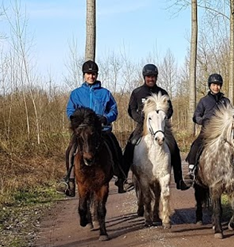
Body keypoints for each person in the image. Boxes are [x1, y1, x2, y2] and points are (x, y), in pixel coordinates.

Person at [122, 64, 190, 191]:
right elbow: (131, 109)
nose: (151, 79)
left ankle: (179, 180)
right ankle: (123, 179)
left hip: (161, 127)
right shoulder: (137, 92)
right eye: (148, 76)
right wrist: (140, 119)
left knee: (174, 148)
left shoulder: (163, 92)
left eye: (153, 76)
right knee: (130, 145)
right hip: (142, 126)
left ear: (156, 77)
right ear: (144, 77)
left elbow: (170, 110)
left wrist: (164, 116)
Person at [65, 60, 128, 194]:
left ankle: (121, 178)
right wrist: (77, 120)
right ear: (84, 75)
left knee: (116, 149)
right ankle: (69, 181)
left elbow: (113, 110)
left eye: (93, 74)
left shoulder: (105, 93)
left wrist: (105, 118)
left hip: (102, 132)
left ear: (97, 75)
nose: (91, 76)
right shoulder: (76, 94)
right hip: (83, 133)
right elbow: (70, 111)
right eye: (88, 74)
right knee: (70, 151)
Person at [184, 73, 234, 187]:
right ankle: (191, 171)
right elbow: (196, 115)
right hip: (208, 131)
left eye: (218, 85)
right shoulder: (204, 101)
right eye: (213, 85)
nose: (216, 87)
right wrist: (201, 120)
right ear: (210, 86)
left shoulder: (225, 101)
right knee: (196, 145)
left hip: (223, 133)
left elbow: (233, 115)